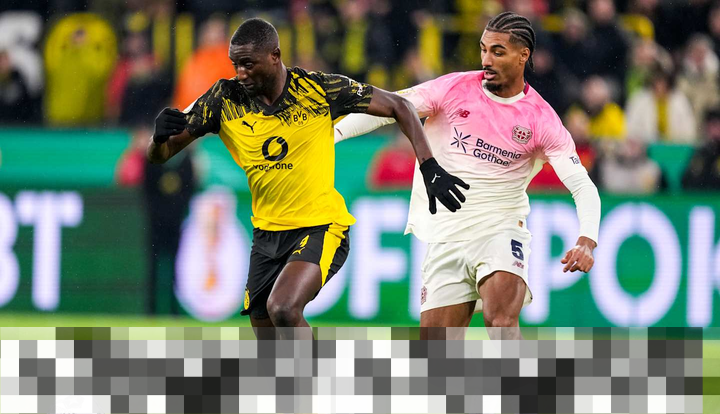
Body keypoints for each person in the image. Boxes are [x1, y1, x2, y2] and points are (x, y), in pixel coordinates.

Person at [147, 18, 467, 339]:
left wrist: (429, 166)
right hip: (266, 235)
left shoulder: (317, 90)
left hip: (321, 227)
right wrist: (159, 139)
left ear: (275, 56)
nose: (240, 73)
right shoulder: (224, 98)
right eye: (236, 65)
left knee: (284, 308)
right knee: (267, 338)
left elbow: (399, 106)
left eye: (248, 64)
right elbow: (161, 154)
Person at [334, 11, 601, 340]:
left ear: (523, 55)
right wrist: (332, 135)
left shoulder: (541, 118)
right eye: (483, 49)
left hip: (501, 229)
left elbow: (581, 185)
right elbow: (390, 108)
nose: (486, 60)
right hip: (447, 235)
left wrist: (586, 240)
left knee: (501, 323)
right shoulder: (454, 88)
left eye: (498, 52)